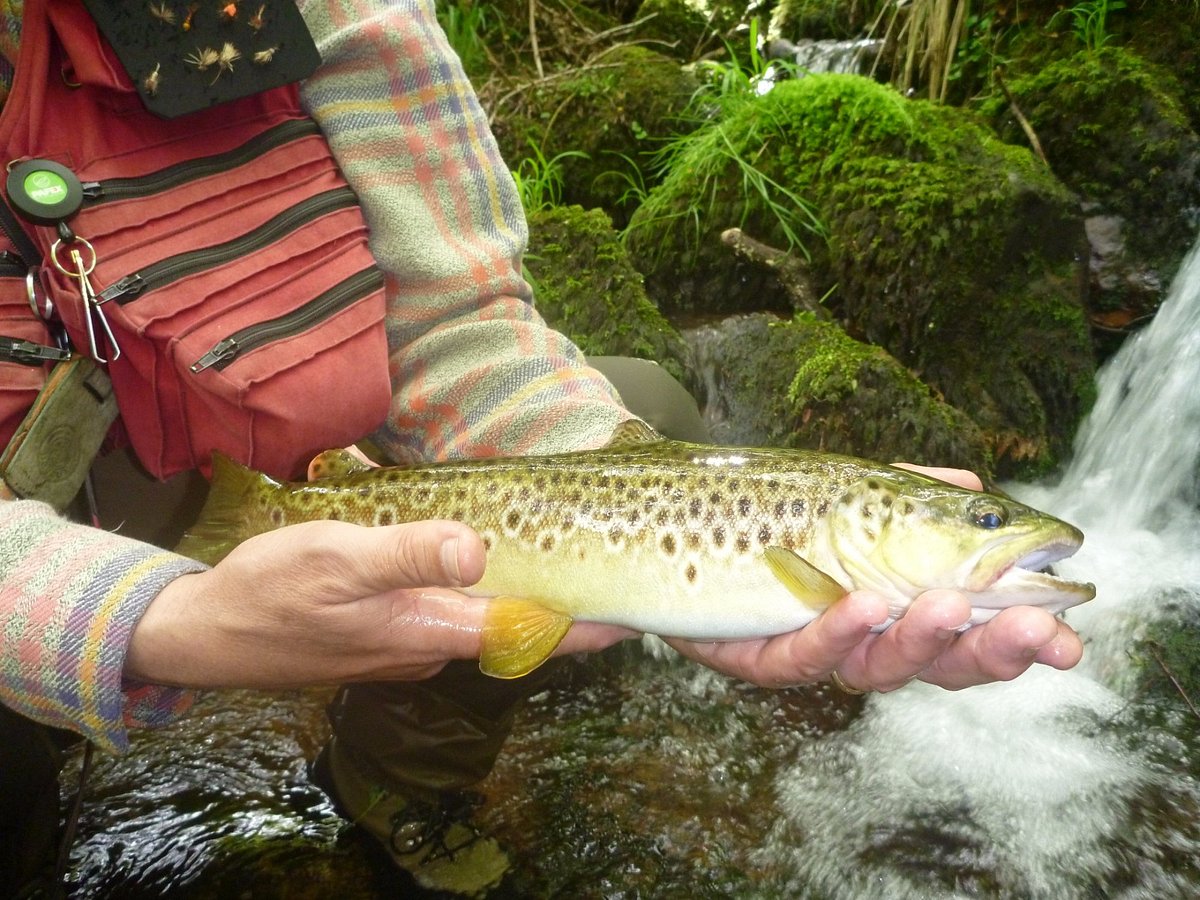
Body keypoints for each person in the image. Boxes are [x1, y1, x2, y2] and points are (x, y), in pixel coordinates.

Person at [0, 0, 1084, 896]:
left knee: (638, 400)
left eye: (983, 519)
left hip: (226, 437)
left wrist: (592, 459)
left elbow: (451, 313)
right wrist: (155, 622)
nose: (1006, 532)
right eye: (985, 520)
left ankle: (392, 788)